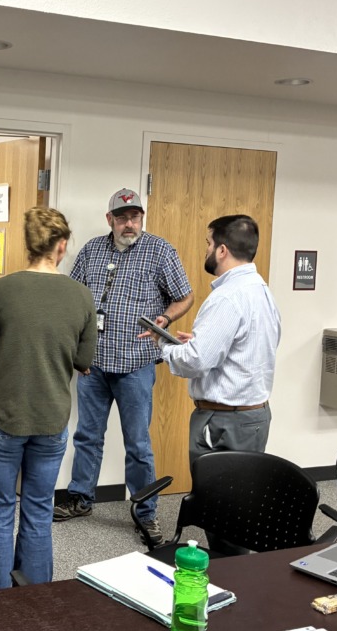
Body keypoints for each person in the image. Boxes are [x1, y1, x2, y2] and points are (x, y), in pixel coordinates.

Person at [52, 188, 194, 545]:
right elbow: (72, 300)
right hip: (95, 365)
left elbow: (185, 295)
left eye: (135, 217)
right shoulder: (91, 251)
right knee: (87, 436)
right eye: (122, 217)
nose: (129, 224)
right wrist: (77, 352)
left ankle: (145, 513)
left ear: (141, 218)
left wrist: (164, 317)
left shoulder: (160, 251)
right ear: (109, 219)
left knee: (138, 444)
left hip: (136, 364)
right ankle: (81, 499)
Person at [0, 207, 97, 588]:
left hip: (2, 415)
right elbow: (84, 361)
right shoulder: (81, 296)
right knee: (39, 510)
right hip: (51, 418)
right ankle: (36, 598)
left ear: (28, 245)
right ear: (61, 246)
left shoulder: (0, 290)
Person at [158, 214, 281, 464]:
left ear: (222, 250)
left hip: (225, 421)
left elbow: (195, 362)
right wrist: (205, 341)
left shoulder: (227, 297)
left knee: (217, 496)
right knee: (242, 493)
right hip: (253, 417)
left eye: (208, 244)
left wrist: (163, 345)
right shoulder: (261, 290)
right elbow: (251, 344)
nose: (207, 250)